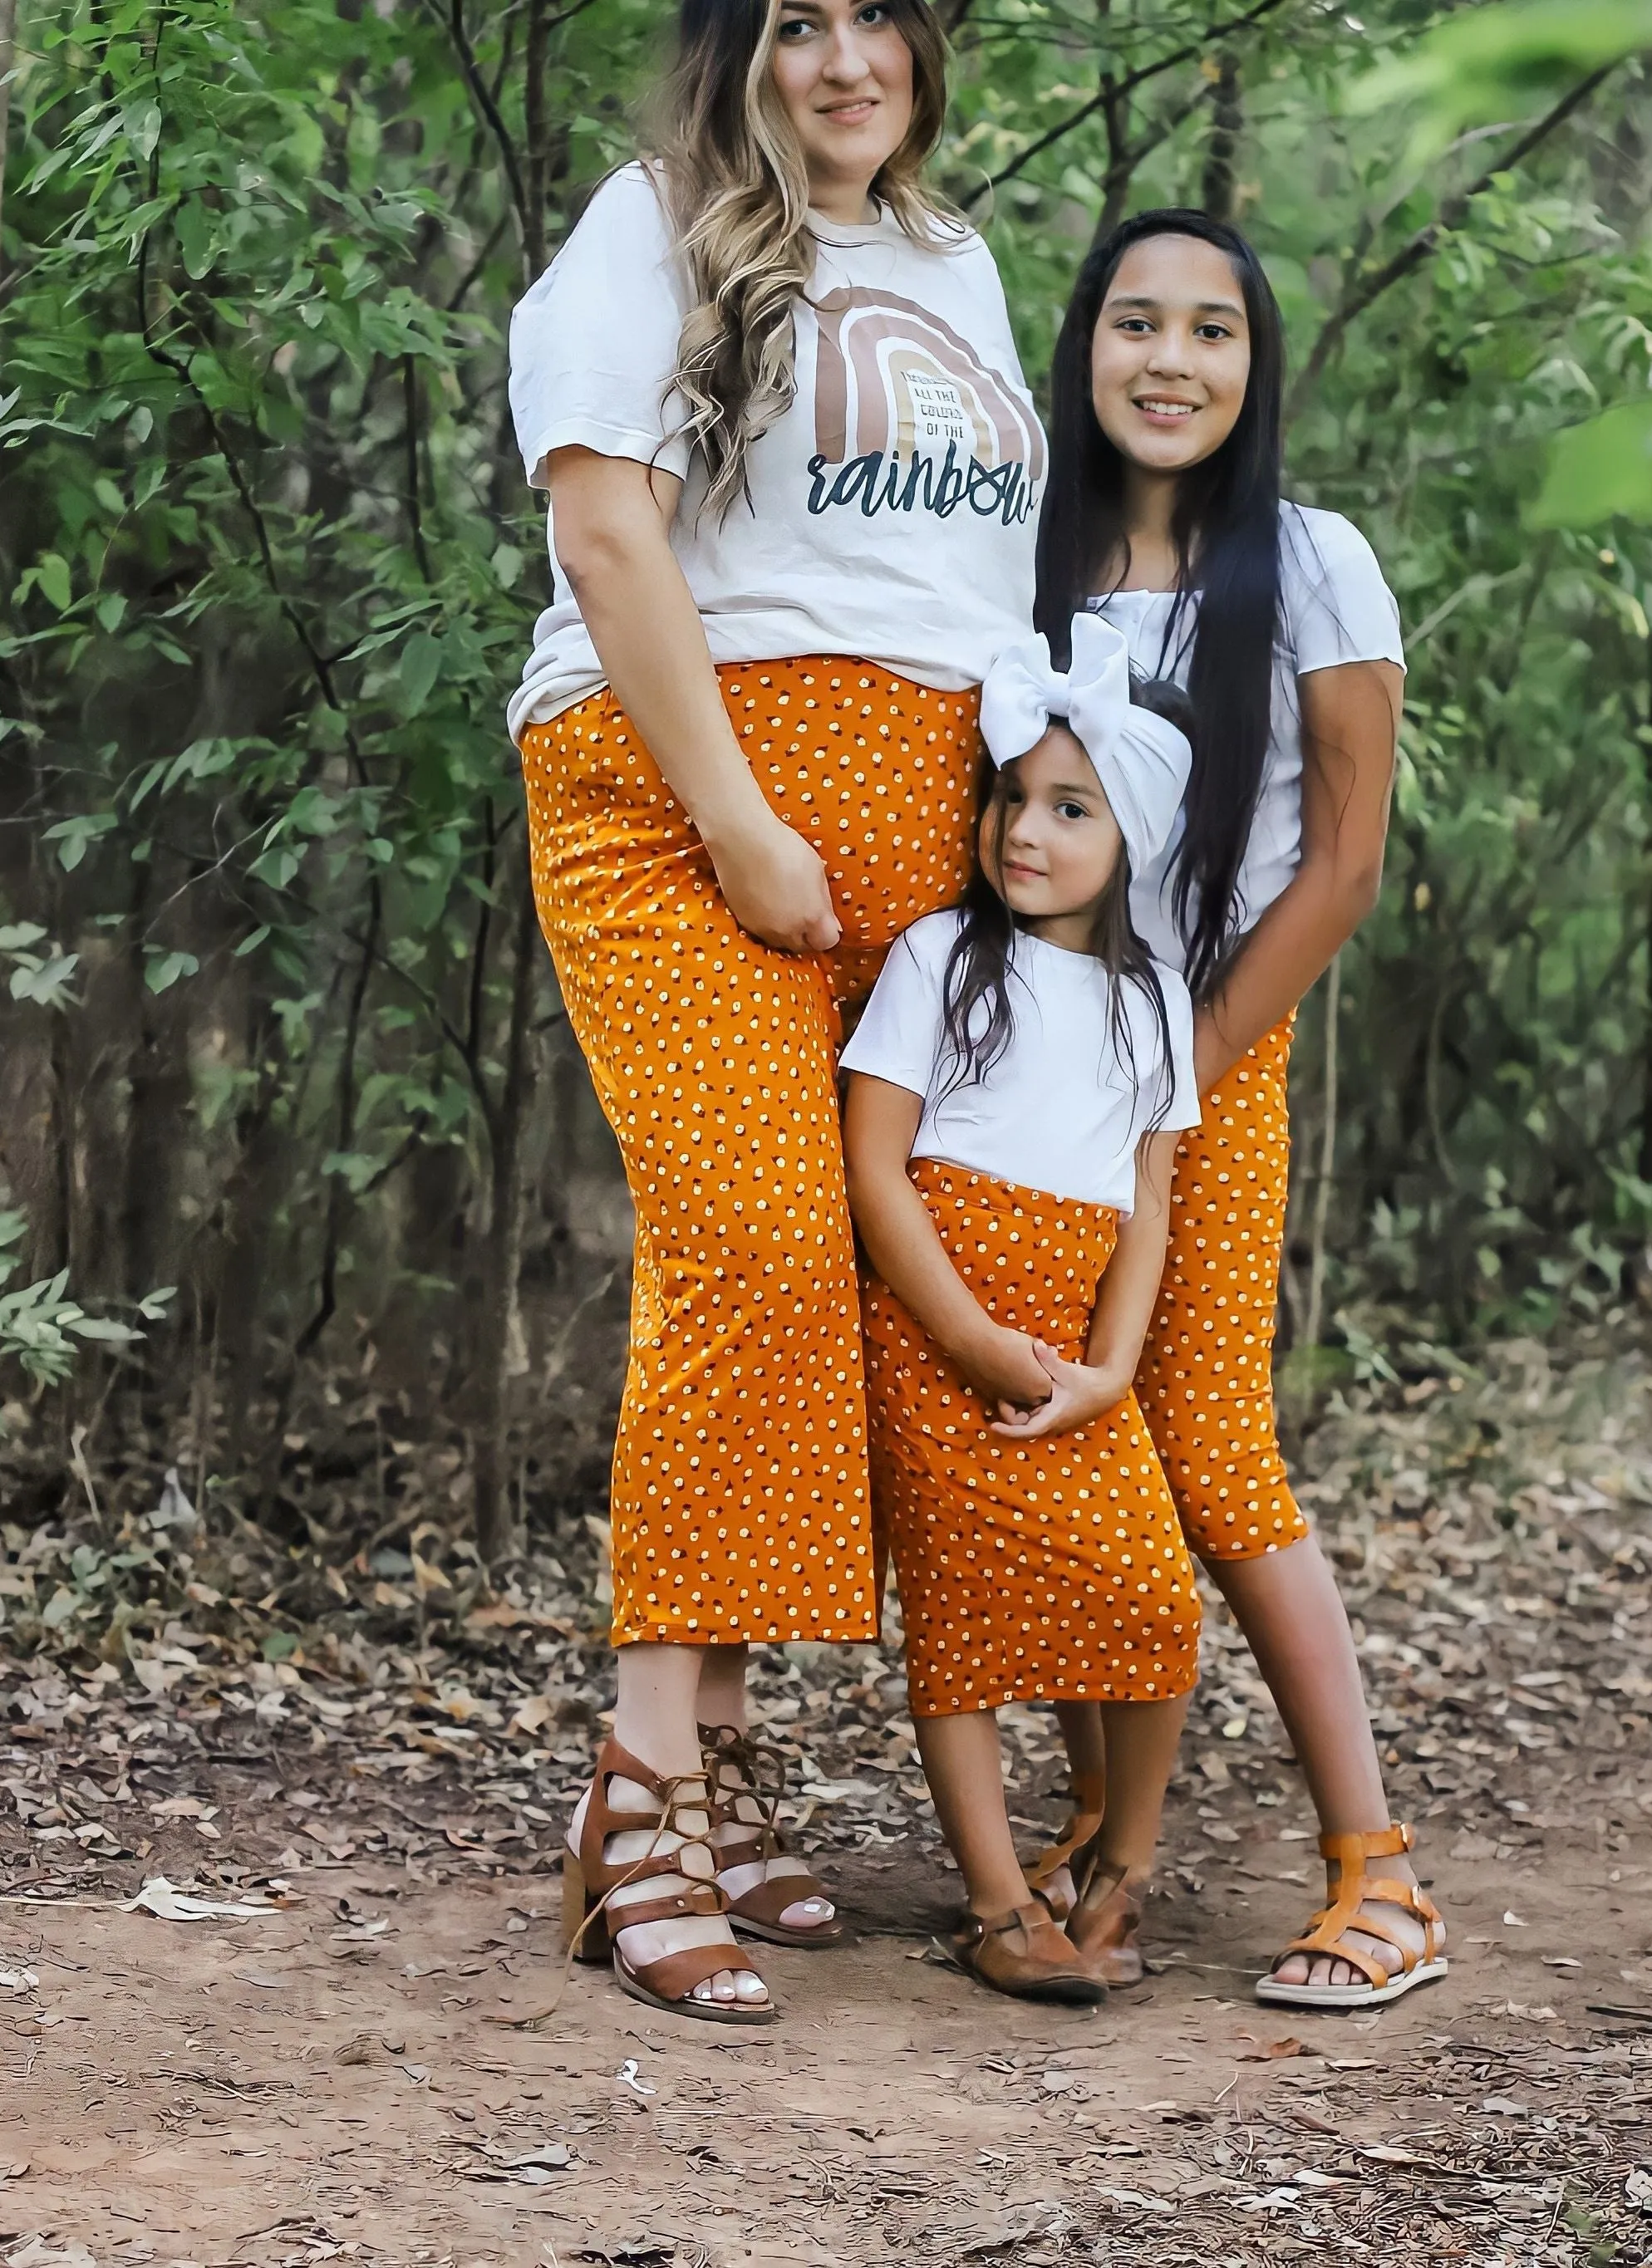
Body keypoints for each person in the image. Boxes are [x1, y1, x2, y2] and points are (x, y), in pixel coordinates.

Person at [509, 0, 1045, 2025]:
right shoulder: (646, 225)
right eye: (796, 21)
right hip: (679, 792)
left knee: (846, 1268)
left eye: (876, 18)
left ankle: (724, 1749)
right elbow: (604, 522)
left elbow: (969, 585)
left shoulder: (959, 263)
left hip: (927, 816)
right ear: (740, 50)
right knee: (745, 1240)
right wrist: (739, 814)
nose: (843, 59)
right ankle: (640, 1787)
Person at [1030, 209, 1447, 2010]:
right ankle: (1105, 1835)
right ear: (1088, 348)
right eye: (1137, 324)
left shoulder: (1314, 559)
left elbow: (1344, 863)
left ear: (1256, 367)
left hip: (1206, 1058)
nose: (1171, 362)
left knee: (1206, 1444)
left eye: (1213, 331)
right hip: (1034, 1062)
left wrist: (1183, 1071)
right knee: (1058, 1423)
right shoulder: (1022, 558)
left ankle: (1380, 1874)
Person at [843, 616, 1202, 2004]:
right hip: (944, 1325)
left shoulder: (1153, 1004)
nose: (1025, 831)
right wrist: (969, 1334)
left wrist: (1111, 1370)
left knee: (1150, 1596)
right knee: (965, 1618)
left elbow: (1149, 1204)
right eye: (1011, 798)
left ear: (1132, 839)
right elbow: (877, 1161)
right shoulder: (940, 955)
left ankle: (1118, 1866)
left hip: (1077, 1342)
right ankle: (996, 1901)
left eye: (1069, 808)